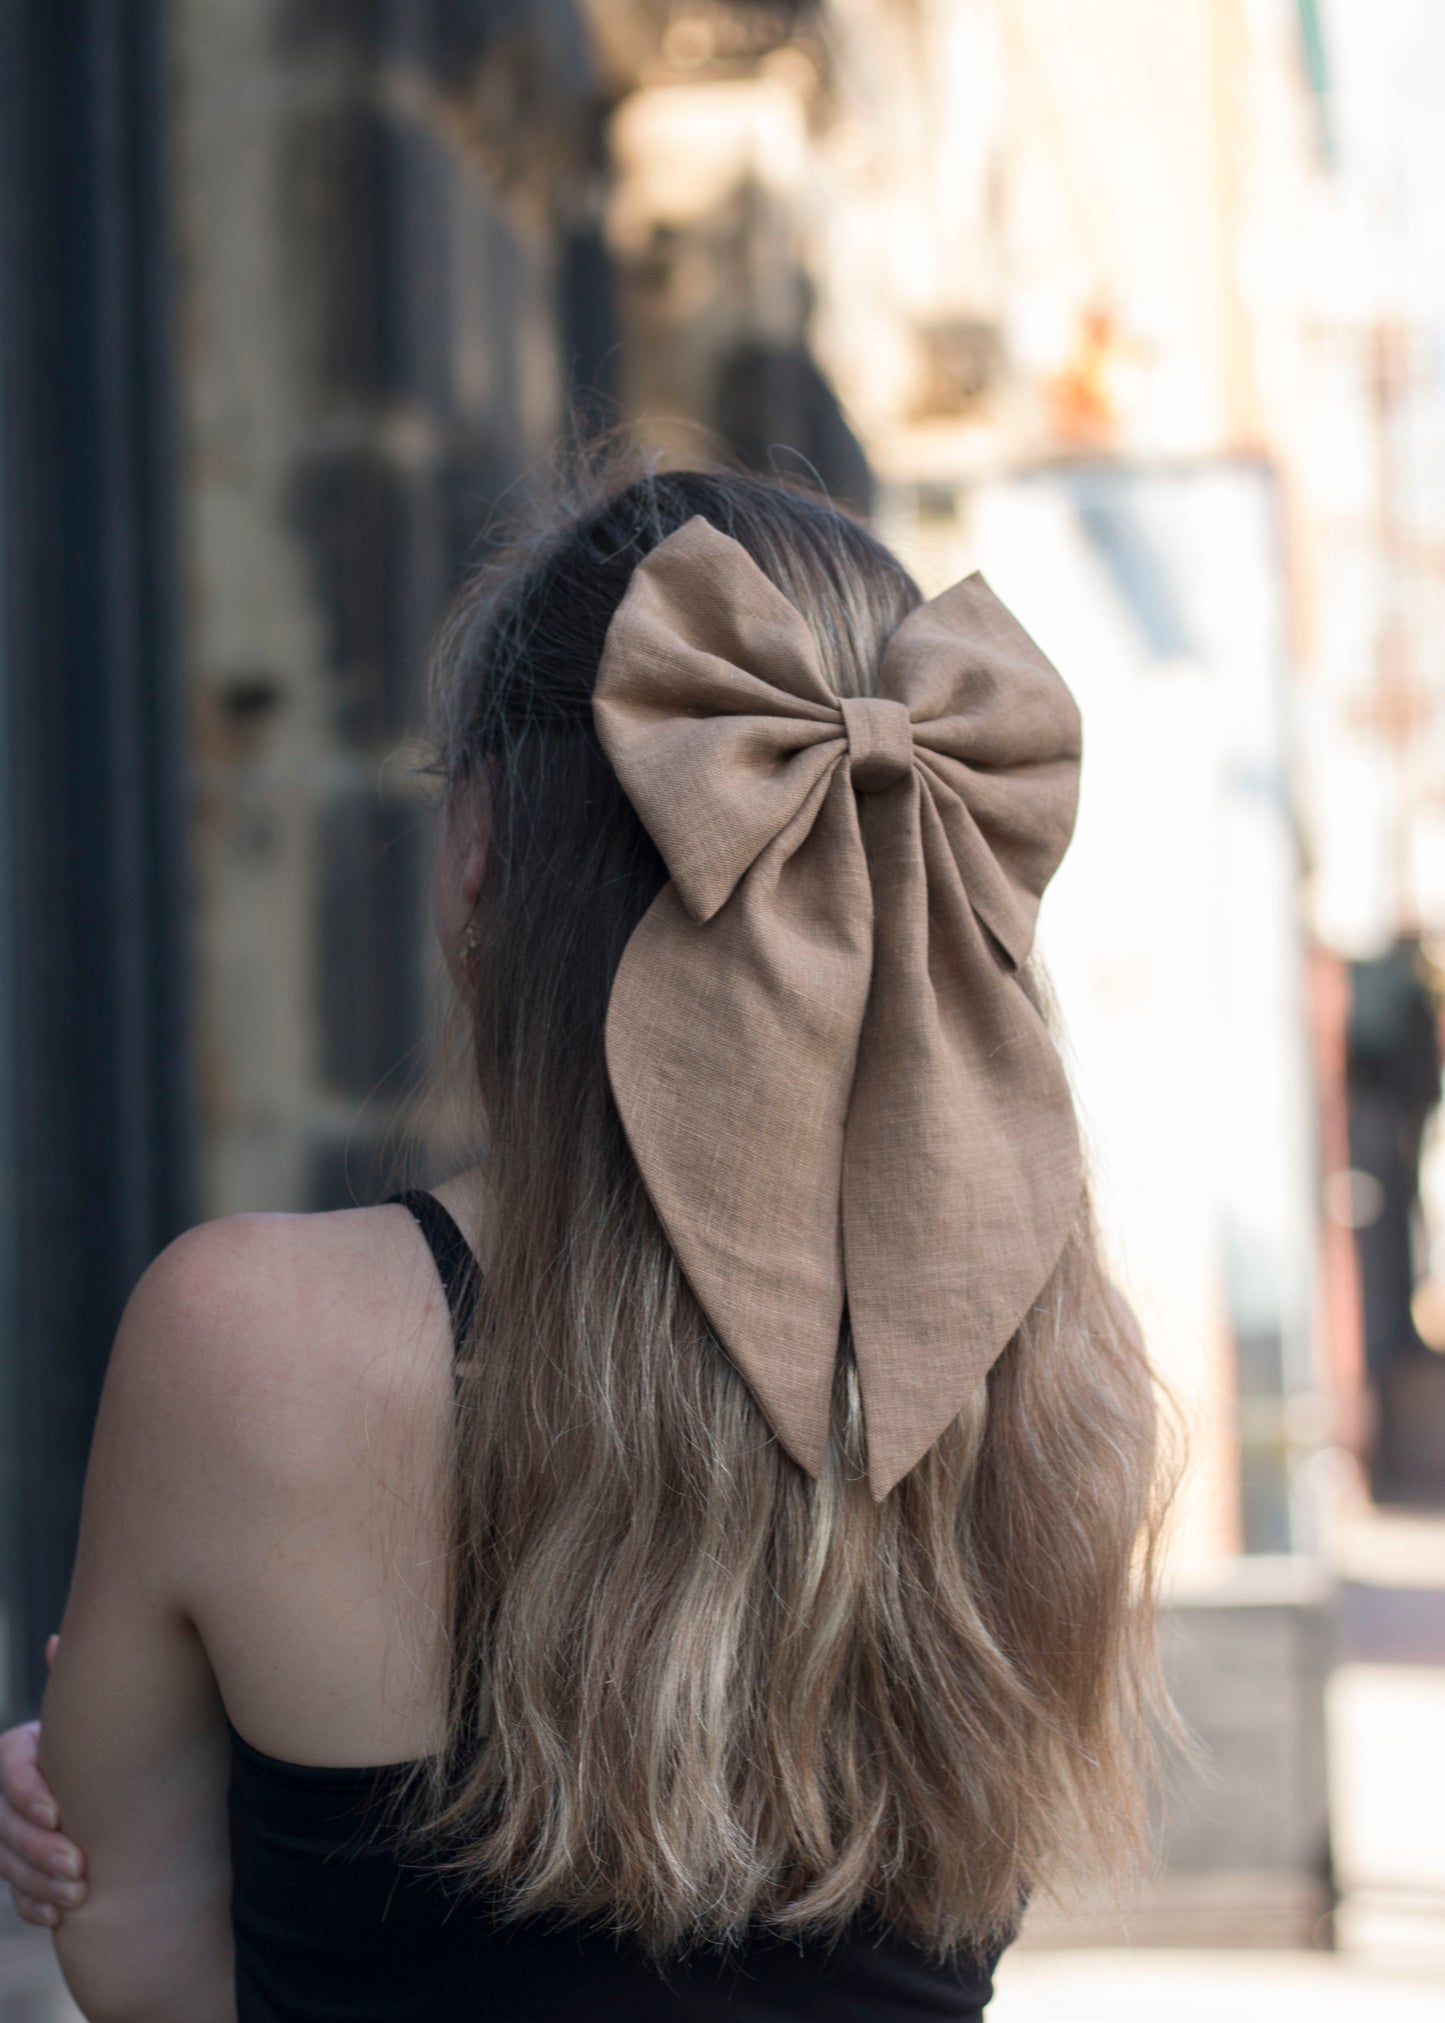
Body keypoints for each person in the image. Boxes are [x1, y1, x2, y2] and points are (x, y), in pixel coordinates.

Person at [0, 455, 1174, 2020]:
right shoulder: (1047, 1367)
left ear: (481, 847)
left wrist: (168, 1787)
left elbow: (147, 1962)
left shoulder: (246, 1340)